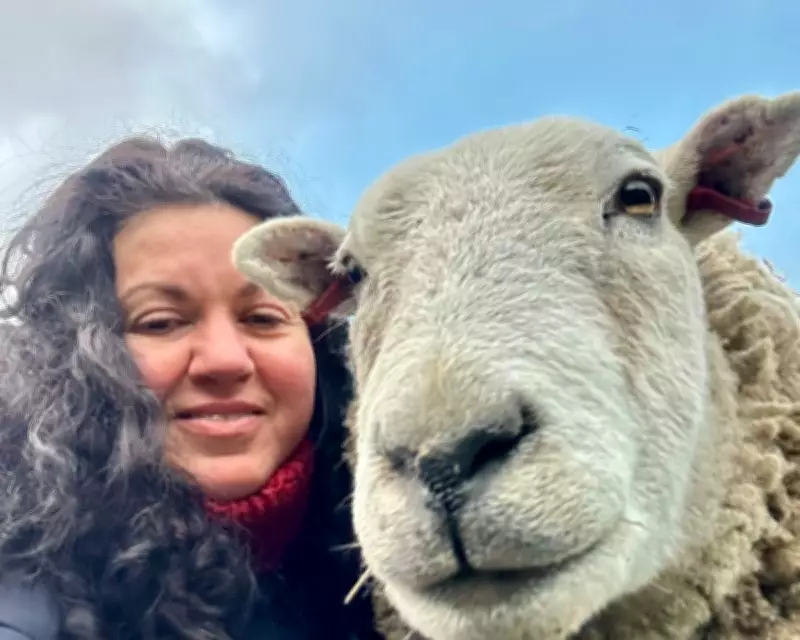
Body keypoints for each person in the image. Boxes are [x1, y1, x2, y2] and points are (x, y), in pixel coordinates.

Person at [0, 137, 378, 640]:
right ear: (65, 360)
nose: (225, 360)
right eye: (160, 322)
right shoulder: (24, 597)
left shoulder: (387, 577)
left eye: (263, 318)